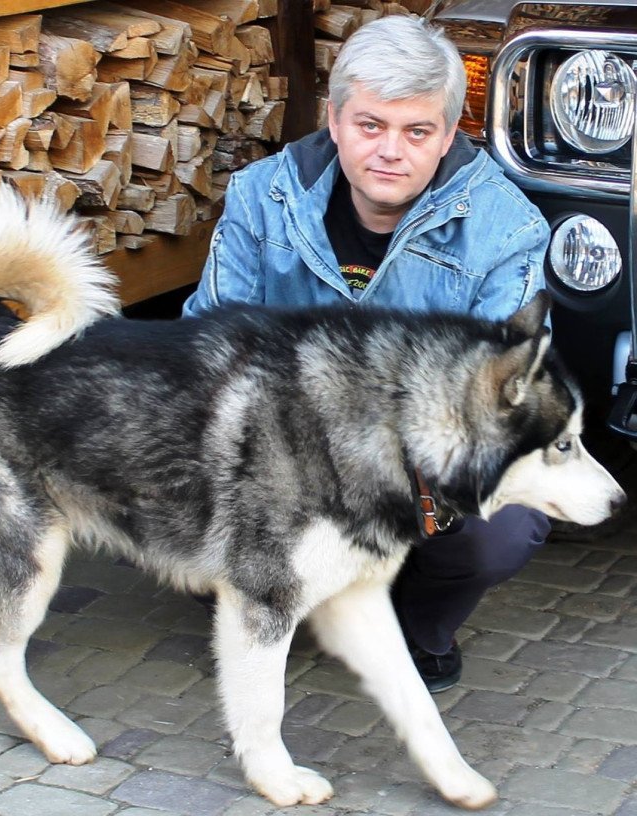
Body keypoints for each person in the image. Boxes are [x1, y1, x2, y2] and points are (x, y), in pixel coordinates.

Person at [182, 13, 552, 693]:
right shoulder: (265, 198)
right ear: (334, 118)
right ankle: (275, 599)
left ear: (448, 135)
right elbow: (204, 346)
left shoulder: (506, 230)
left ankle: (419, 628)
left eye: (416, 131)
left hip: (415, 473)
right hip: (286, 458)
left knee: (507, 521)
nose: (391, 150)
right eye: (370, 125)